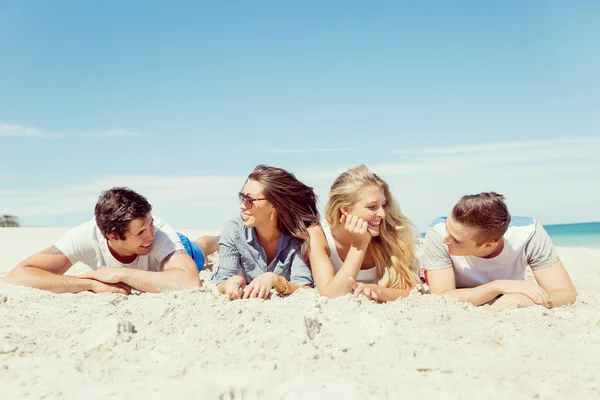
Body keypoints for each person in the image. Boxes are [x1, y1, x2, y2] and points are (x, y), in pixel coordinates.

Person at [3, 187, 207, 294]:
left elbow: (188, 281)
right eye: (141, 231)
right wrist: (90, 284)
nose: (150, 234)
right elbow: (18, 276)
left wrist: (118, 273)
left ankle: (215, 239)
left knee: (201, 247)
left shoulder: (160, 233)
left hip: (179, 248)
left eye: (150, 223)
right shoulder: (85, 235)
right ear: (113, 236)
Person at [422, 192, 577, 310]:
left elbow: (565, 293)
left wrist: (527, 300)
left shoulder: (530, 234)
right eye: (447, 228)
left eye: (455, 240)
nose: (445, 239)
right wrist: (497, 286)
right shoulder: (438, 232)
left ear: (488, 245)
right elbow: (441, 295)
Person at [307, 165, 421, 302]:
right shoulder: (318, 236)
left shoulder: (390, 233)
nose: (382, 214)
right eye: (372, 207)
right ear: (345, 209)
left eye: (383, 205)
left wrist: (379, 291)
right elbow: (330, 295)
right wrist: (360, 243)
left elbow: (410, 291)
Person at [212, 165, 319, 300]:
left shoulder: (297, 236)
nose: (242, 205)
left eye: (249, 200)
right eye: (242, 197)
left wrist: (275, 280)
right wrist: (231, 282)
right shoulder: (234, 229)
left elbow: (305, 288)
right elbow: (222, 280)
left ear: (275, 204)